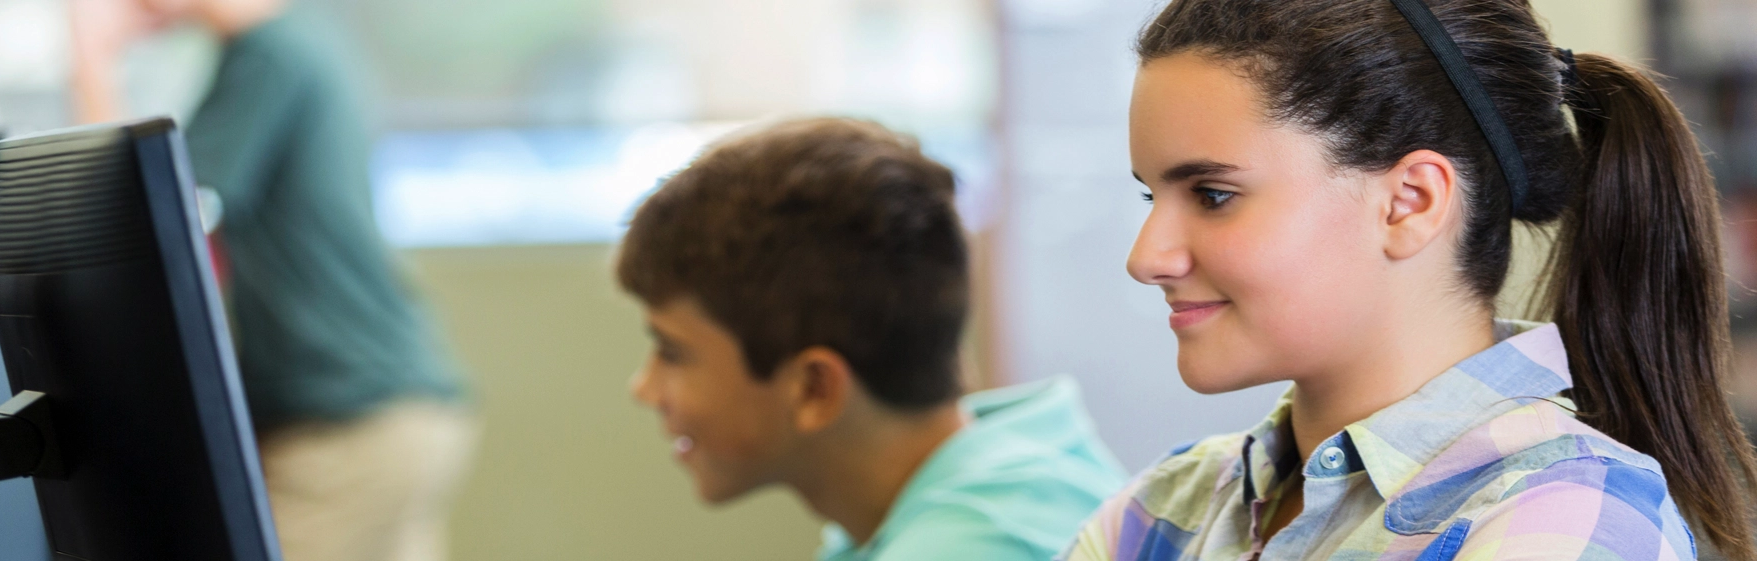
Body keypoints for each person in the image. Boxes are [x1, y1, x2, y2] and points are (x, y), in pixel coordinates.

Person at [1060, 0, 1757, 560]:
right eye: (1153, 197)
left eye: (1212, 194)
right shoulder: (1160, 511)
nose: (1147, 257)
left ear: (1411, 202)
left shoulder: (1566, 519)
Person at [617, 117, 1129, 561]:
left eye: (671, 352)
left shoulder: (977, 546)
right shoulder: (1013, 464)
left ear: (814, 388)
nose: (643, 388)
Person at [71, 0, 473, 559]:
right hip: (399, 414)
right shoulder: (299, 45)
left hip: (346, 426)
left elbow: (147, 214)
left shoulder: (270, 58)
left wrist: (93, 61)